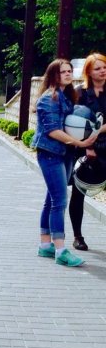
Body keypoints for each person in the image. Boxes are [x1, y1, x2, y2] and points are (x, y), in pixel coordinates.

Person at [33, 58, 103, 267]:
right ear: (53, 75)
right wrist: (79, 143)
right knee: (59, 202)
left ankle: (45, 245)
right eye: (62, 71)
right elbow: (53, 131)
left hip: (65, 154)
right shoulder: (48, 98)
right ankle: (61, 251)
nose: (67, 74)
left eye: (69, 71)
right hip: (50, 154)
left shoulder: (66, 96)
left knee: (51, 200)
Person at [69, 52, 106, 250]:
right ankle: (78, 236)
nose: (103, 71)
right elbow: (74, 122)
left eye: (105, 67)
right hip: (84, 149)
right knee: (79, 192)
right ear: (89, 72)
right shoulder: (80, 93)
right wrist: (88, 146)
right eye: (98, 68)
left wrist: (97, 129)